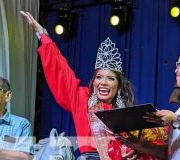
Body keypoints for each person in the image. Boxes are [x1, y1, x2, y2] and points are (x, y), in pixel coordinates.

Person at [20, 11, 168, 160]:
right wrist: (42, 35)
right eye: (99, 77)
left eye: (110, 79)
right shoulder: (82, 99)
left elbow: (141, 147)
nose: (103, 82)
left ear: (118, 85)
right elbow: (61, 72)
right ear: (93, 81)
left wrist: (134, 152)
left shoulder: (127, 113)